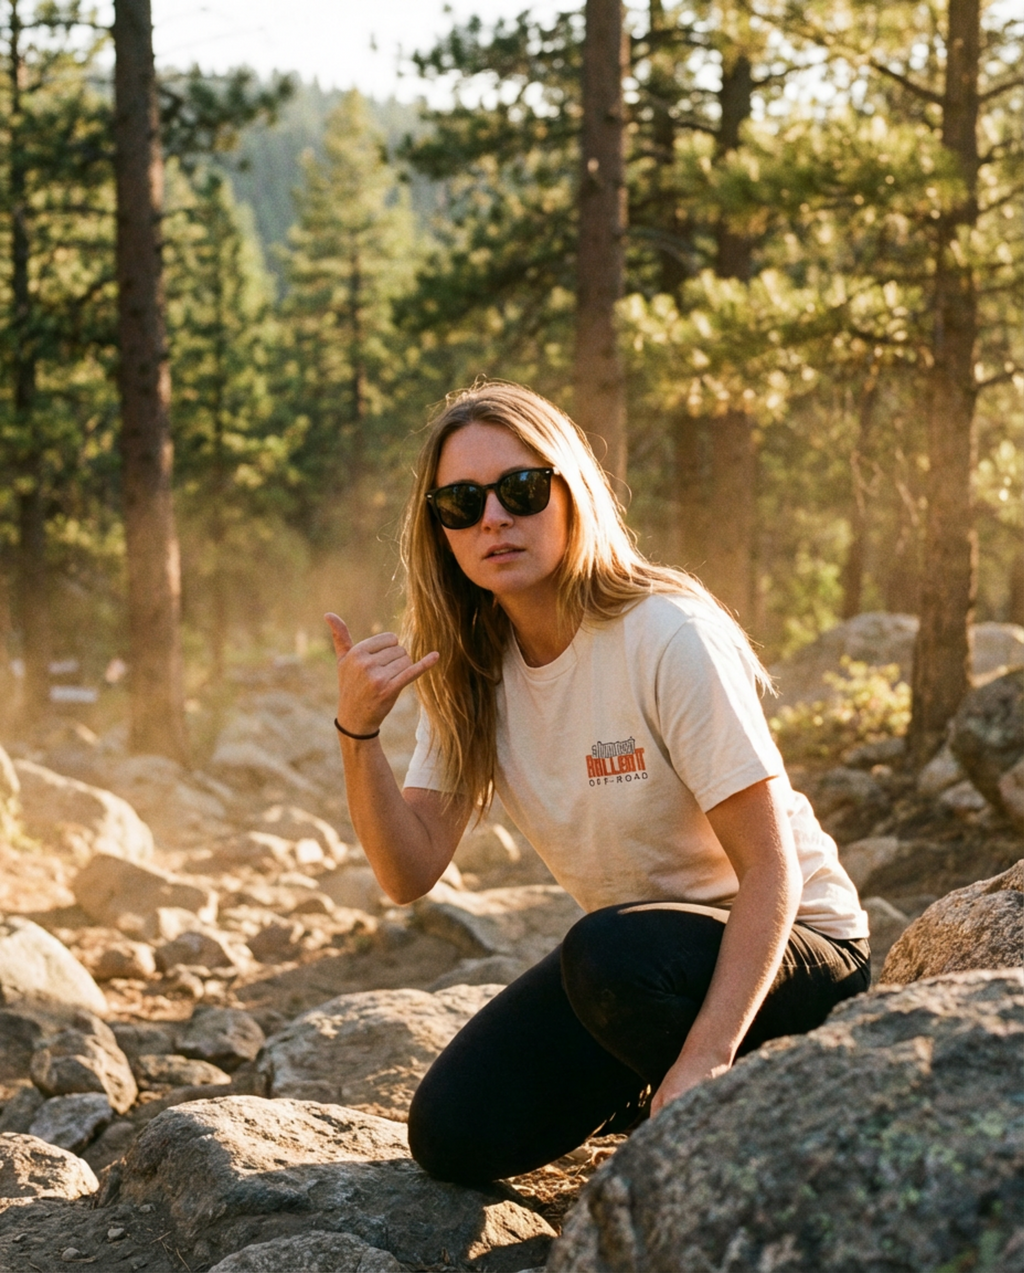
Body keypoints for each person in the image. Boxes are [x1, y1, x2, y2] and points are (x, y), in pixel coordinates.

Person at [325, 381, 869, 1187]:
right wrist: (357, 732)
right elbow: (407, 873)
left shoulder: (664, 631)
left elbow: (771, 867)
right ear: (438, 529)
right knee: (452, 1132)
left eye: (520, 489)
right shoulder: (474, 669)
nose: (494, 520)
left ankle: (741, 1104)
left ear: (570, 490)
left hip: (795, 956)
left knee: (607, 950)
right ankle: (653, 1077)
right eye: (461, 504)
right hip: (644, 970)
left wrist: (707, 1060)